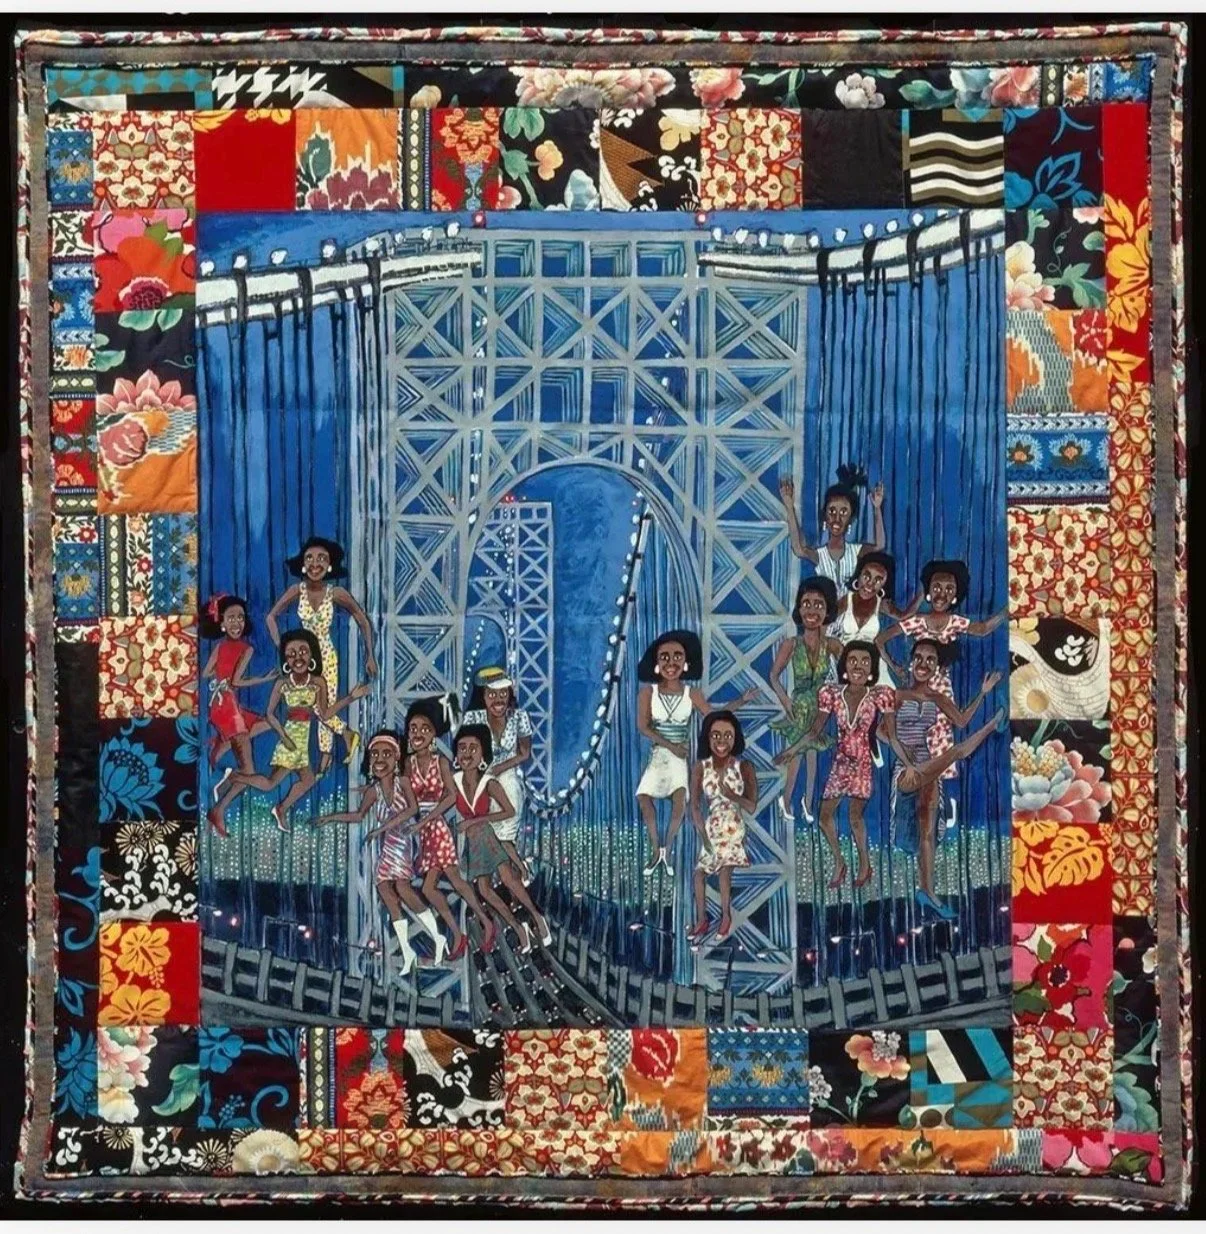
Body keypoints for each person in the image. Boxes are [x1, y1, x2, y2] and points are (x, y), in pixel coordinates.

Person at [312, 728, 458, 971]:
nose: (380, 759)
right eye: (375, 754)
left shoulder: (403, 783)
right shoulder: (373, 791)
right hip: (387, 845)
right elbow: (358, 815)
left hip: (403, 840)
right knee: (385, 891)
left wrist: (382, 828)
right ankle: (408, 950)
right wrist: (330, 818)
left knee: (402, 887)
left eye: (387, 754)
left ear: (397, 758)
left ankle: (437, 936)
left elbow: (412, 810)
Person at [884, 639, 1005, 921]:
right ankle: (993, 724)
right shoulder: (896, 695)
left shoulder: (937, 698)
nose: (923, 664)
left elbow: (961, 721)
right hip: (906, 769)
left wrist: (983, 693)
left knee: (928, 831)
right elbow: (883, 732)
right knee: (955, 752)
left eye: (930, 660)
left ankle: (927, 891)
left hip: (927, 766)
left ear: (937, 667)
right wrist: (907, 760)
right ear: (911, 661)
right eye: (919, 657)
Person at [209, 629, 369, 834]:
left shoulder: (318, 682)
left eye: (303, 652)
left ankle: (277, 806)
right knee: (270, 784)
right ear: (286, 659)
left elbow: (325, 713)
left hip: (303, 738)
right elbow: (269, 714)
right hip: (290, 738)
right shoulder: (282, 684)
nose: (298, 658)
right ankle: (236, 778)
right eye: (291, 654)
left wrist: (351, 697)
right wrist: (284, 737)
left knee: (306, 780)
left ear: (311, 654)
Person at [635, 629, 758, 877]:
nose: (671, 663)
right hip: (660, 755)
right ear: (656, 662)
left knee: (680, 799)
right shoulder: (648, 692)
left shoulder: (692, 694)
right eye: (665, 657)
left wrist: (741, 701)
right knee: (644, 797)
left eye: (677, 656)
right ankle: (655, 849)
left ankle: (667, 850)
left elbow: (713, 715)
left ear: (686, 662)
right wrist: (670, 746)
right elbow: (643, 727)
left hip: (680, 758)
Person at [774, 640, 893, 891]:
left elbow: (889, 734)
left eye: (865, 661)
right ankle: (840, 862)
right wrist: (792, 750)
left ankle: (865, 864)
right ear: (844, 666)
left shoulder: (879, 696)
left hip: (862, 763)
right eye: (853, 660)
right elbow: (815, 730)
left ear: (872, 667)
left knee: (855, 817)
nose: (858, 666)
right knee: (824, 817)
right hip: (841, 763)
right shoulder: (831, 694)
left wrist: (907, 758)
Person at [266, 536, 378, 772]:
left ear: (329, 565)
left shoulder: (335, 592)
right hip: (303, 657)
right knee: (313, 705)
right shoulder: (296, 590)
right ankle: (346, 734)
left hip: (325, 655)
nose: (315, 563)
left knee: (323, 705)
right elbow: (271, 617)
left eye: (321, 558)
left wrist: (370, 654)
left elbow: (362, 619)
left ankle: (326, 756)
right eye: (310, 558)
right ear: (303, 564)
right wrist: (282, 647)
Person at [403, 694, 497, 955]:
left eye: (425, 729)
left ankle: (479, 924)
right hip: (423, 831)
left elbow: (451, 797)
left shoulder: (441, 762)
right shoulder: (408, 765)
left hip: (437, 829)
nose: (418, 733)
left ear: (434, 734)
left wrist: (426, 820)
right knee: (434, 886)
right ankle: (460, 932)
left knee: (449, 881)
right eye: (413, 728)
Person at [450, 725, 551, 954]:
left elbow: (508, 811)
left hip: (488, 836)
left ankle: (537, 917)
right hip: (473, 844)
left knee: (508, 879)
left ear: (482, 755)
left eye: (473, 748)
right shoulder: (454, 782)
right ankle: (518, 927)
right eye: (462, 748)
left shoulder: (489, 783)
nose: (467, 753)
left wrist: (475, 821)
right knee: (484, 890)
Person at [768, 577, 843, 825]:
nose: (812, 610)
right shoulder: (792, 644)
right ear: (799, 609)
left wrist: (836, 695)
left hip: (821, 707)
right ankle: (787, 798)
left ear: (827, 610)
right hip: (799, 707)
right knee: (799, 754)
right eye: (807, 603)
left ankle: (807, 802)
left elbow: (849, 671)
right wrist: (785, 701)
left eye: (819, 604)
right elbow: (773, 676)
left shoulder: (832, 645)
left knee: (812, 756)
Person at [199, 594, 276, 826]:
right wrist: (264, 679)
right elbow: (237, 681)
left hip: (220, 705)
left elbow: (207, 673)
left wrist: (219, 680)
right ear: (222, 622)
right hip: (229, 707)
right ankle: (226, 780)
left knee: (266, 724)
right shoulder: (245, 648)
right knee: (248, 769)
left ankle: (223, 744)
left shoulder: (223, 647)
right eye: (231, 618)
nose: (236, 623)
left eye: (240, 617)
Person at [876, 558, 1007, 692]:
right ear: (928, 592)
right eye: (936, 588)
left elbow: (983, 629)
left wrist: (1007, 612)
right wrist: (893, 667)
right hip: (916, 684)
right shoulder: (917, 621)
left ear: (955, 596)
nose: (942, 595)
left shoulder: (954, 622)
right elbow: (879, 640)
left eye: (949, 590)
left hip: (942, 687)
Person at [688, 711, 758, 946]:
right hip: (711, 827)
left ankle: (725, 916)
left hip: (732, 825)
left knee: (724, 870)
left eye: (728, 735)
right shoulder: (700, 767)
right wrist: (702, 834)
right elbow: (694, 805)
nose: (721, 741)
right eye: (715, 735)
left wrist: (732, 795)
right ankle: (702, 919)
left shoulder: (744, 766)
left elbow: (751, 806)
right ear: (707, 738)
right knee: (699, 875)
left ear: (736, 738)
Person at [462, 665, 533, 884]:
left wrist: (499, 769)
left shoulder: (520, 717)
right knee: (488, 839)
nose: (498, 699)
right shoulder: (473, 718)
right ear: (483, 696)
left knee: (505, 837)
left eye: (503, 693)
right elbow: (466, 752)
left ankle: (518, 877)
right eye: (492, 694)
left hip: (508, 781)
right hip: (481, 783)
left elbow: (525, 753)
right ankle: (515, 875)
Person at [778, 463, 886, 598]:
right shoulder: (820, 555)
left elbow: (879, 545)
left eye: (844, 513)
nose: (837, 519)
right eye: (832, 511)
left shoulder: (856, 551)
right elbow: (798, 549)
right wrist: (789, 507)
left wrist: (877, 508)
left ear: (851, 519)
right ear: (825, 515)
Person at [829, 552, 921, 649]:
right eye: (866, 577)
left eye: (877, 581)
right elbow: (826, 618)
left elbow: (903, 616)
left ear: (884, 585)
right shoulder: (847, 600)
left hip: (871, 656)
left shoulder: (881, 604)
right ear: (858, 576)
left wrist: (921, 595)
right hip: (847, 655)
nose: (870, 585)